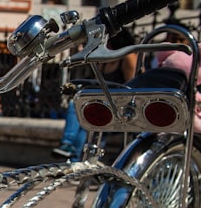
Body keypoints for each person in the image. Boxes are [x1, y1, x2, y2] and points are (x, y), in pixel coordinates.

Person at [52, 28, 138, 161]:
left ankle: (71, 153)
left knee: (85, 115)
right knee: (78, 108)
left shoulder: (127, 58)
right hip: (100, 100)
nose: (104, 42)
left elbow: (130, 88)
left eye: (107, 39)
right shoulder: (104, 58)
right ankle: (69, 149)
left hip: (117, 104)